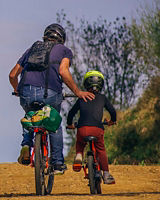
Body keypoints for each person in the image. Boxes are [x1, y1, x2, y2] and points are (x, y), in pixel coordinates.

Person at [9, 23, 95, 175]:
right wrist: (77, 91)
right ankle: (57, 163)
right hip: (50, 94)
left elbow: (12, 74)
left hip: (26, 93)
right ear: (61, 38)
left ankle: (26, 145)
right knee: (54, 123)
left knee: (30, 116)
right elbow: (63, 71)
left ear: (45, 36)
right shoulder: (64, 50)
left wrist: (17, 90)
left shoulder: (32, 49)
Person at [66, 70, 117, 184]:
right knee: (101, 150)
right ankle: (106, 174)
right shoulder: (103, 98)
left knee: (80, 143)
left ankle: (79, 155)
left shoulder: (81, 98)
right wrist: (112, 121)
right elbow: (112, 111)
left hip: (82, 128)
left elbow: (71, 113)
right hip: (97, 129)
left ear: (86, 83)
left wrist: (70, 124)